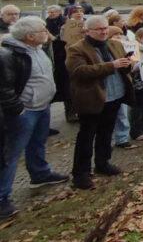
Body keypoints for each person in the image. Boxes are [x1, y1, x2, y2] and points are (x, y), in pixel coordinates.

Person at [0, 17, 69, 220]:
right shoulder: (8, 56)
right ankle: (2, 196)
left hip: (42, 106)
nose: (46, 32)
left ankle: (40, 172)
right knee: (10, 154)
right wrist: (18, 109)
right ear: (30, 36)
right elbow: (4, 88)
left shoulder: (37, 49)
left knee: (37, 143)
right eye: (43, 30)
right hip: (25, 111)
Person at [66, 15, 135, 190]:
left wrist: (127, 64)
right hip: (93, 99)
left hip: (115, 96)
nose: (104, 31)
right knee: (86, 137)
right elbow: (79, 71)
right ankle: (80, 174)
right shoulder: (77, 49)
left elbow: (123, 67)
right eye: (99, 29)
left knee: (106, 133)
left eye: (105, 28)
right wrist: (112, 65)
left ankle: (103, 163)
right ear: (87, 31)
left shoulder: (115, 44)